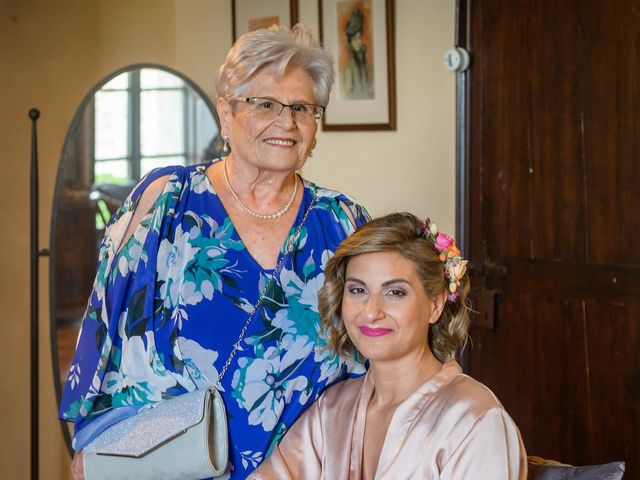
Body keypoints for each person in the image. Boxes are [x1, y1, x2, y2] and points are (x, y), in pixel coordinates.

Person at [60, 24, 370, 479]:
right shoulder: (165, 202)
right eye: (265, 104)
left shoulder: (343, 222)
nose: (286, 122)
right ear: (226, 114)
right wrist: (101, 457)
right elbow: (103, 339)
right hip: (173, 466)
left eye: (302, 107)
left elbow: (374, 353)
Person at [250, 213, 528, 479]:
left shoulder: (475, 420)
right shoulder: (331, 411)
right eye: (358, 290)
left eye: (394, 292)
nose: (371, 312)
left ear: (435, 305)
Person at [342, 8, 373, 100]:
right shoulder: (349, 68)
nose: (359, 42)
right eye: (355, 39)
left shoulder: (362, 64)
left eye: (359, 38)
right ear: (350, 42)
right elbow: (348, 96)